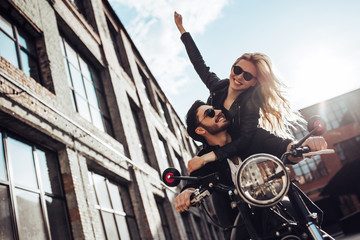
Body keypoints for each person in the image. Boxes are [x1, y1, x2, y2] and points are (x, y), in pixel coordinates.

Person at [174, 12, 306, 173]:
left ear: (254, 83)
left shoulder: (251, 103)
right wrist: (182, 30)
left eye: (248, 75)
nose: (239, 77)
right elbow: (199, 63)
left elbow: (245, 140)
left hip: (243, 153)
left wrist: (208, 157)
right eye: (237, 69)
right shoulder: (218, 86)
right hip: (217, 148)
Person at [174, 100, 327, 239]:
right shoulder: (203, 159)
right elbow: (196, 180)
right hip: (240, 221)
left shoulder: (251, 136)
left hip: (278, 202)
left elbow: (283, 146)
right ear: (200, 130)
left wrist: (303, 146)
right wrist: (187, 192)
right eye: (210, 113)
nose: (218, 111)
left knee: (314, 228)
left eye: (216, 108)